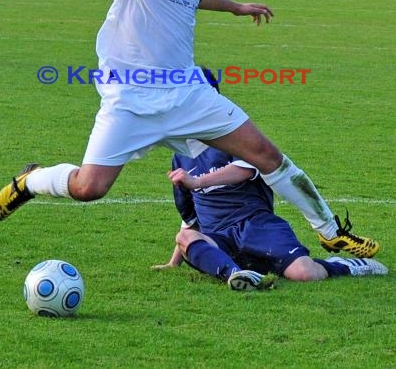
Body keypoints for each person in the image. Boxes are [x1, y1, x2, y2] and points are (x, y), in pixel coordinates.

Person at [0, 0, 378, 263]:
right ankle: (31, 182)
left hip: (187, 93)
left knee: (266, 154)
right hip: (131, 97)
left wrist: (234, 7)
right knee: (90, 188)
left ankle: (330, 232)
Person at [151, 72, 387, 290]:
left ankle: (345, 266)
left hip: (256, 227)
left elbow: (244, 170)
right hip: (219, 239)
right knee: (185, 237)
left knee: (304, 273)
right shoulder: (180, 157)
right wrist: (174, 262)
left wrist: (197, 182)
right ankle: (237, 275)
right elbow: (189, 220)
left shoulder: (233, 136)